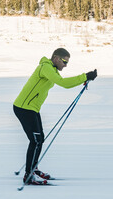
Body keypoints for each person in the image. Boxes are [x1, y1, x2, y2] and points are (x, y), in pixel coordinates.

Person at [13, 48, 97, 185]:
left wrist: (83, 79)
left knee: (39, 139)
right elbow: (64, 84)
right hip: (24, 108)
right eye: (64, 61)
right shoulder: (46, 67)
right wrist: (85, 76)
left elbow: (63, 81)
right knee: (36, 141)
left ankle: (34, 169)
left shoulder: (51, 69)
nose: (65, 65)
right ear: (56, 58)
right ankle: (29, 175)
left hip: (31, 108)